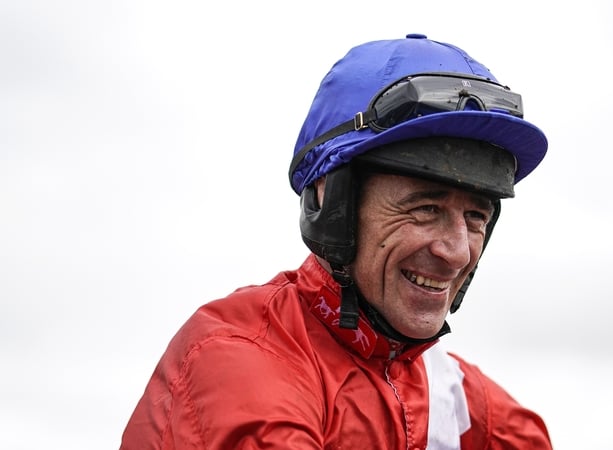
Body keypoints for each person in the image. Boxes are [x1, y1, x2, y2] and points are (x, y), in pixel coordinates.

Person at [121, 33, 552, 449]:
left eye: (476, 216)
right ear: (332, 202)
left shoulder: (450, 392)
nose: (456, 252)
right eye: (425, 208)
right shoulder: (237, 359)